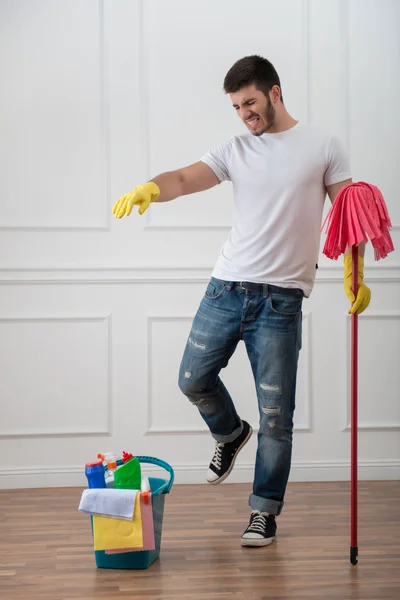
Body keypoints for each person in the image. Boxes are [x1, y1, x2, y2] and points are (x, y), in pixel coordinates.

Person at [112, 55, 371, 547]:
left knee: (277, 417)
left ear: (275, 92)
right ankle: (230, 434)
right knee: (192, 378)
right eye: (235, 107)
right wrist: (152, 187)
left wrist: (354, 273)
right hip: (225, 287)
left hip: (281, 302)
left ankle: (263, 512)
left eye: (250, 103)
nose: (244, 114)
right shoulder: (235, 149)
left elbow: (349, 214)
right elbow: (185, 178)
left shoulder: (323, 145)